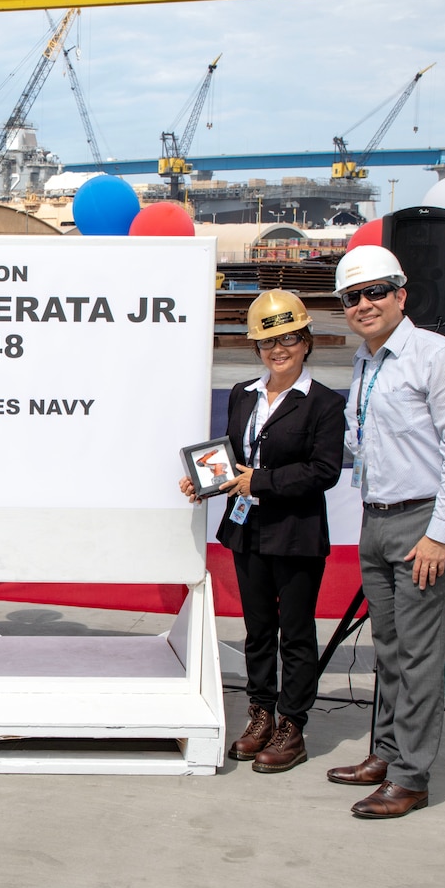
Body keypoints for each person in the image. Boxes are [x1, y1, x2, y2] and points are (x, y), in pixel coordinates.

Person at [327, 245, 445, 818]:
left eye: (375, 292)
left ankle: (411, 777)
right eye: (352, 297)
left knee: (420, 654)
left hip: (425, 521)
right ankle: (386, 752)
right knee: (388, 648)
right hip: (379, 516)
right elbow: (360, 439)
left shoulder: (437, 358)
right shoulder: (367, 361)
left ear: (401, 294)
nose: (364, 304)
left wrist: (440, 535)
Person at [180, 289, 344, 773]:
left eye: (289, 338)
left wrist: (262, 481)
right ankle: (260, 713)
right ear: (256, 348)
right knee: (257, 631)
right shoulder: (242, 395)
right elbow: (230, 455)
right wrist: (204, 481)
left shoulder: (324, 404)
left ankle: (292, 724)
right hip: (248, 533)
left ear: (307, 341)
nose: (279, 350)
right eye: (268, 342)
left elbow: (324, 470)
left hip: (296, 534)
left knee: (294, 633)